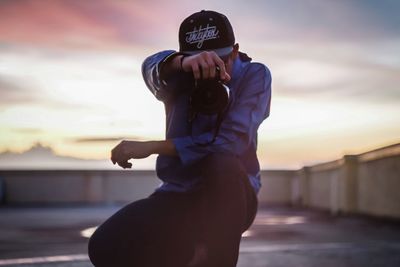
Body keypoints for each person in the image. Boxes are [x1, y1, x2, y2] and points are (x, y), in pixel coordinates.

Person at [88, 10, 271, 267]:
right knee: (105, 245)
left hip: (233, 196)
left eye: (220, 62)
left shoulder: (254, 75)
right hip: (179, 195)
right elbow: (150, 66)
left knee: (222, 163)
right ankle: (189, 256)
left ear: (235, 51)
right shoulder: (175, 77)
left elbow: (228, 144)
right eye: (202, 63)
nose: (212, 72)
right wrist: (180, 65)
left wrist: (152, 147)